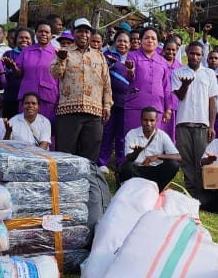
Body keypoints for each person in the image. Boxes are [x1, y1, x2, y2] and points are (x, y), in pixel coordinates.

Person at [51, 18, 111, 162]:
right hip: (69, 111)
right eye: (80, 31)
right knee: (66, 152)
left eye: (86, 31)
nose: (83, 35)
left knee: (91, 152)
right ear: (73, 33)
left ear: (90, 34)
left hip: (94, 111)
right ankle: (65, 183)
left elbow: (106, 83)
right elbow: (56, 74)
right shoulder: (64, 52)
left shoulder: (99, 56)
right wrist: (60, 60)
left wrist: (107, 105)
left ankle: (87, 183)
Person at [172, 41, 218, 193]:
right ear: (187, 53)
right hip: (183, 122)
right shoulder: (178, 72)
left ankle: (203, 191)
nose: (194, 56)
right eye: (192, 53)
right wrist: (185, 85)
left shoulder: (209, 74)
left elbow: (212, 101)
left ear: (202, 56)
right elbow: (178, 96)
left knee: (202, 159)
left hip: (202, 123)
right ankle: (191, 191)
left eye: (198, 54)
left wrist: (211, 125)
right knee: (186, 160)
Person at [121, 27, 174, 138]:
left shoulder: (163, 61)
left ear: (157, 42)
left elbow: (167, 87)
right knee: (133, 139)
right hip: (136, 105)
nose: (150, 41)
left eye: (153, 38)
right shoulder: (132, 56)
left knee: (154, 141)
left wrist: (168, 109)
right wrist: (130, 71)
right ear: (141, 40)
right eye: (147, 38)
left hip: (157, 108)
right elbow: (129, 78)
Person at [118, 106, 180, 189]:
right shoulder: (132, 134)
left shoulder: (162, 135)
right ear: (140, 120)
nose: (148, 123)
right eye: (145, 120)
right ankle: (133, 189)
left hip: (155, 172)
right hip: (137, 170)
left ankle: (157, 189)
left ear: (157, 121)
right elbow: (128, 158)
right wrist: (136, 153)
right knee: (126, 166)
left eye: (152, 120)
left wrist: (158, 156)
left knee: (173, 165)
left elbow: (178, 157)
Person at [98, 30, 131, 169]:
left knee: (122, 133)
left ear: (129, 44)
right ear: (114, 42)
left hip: (126, 102)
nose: (122, 43)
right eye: (119, 40)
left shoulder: (133, 59)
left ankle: (120, 162)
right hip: (109, 101)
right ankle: (102, 162)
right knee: (107, 132)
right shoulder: (107, 56)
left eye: (125, 41)